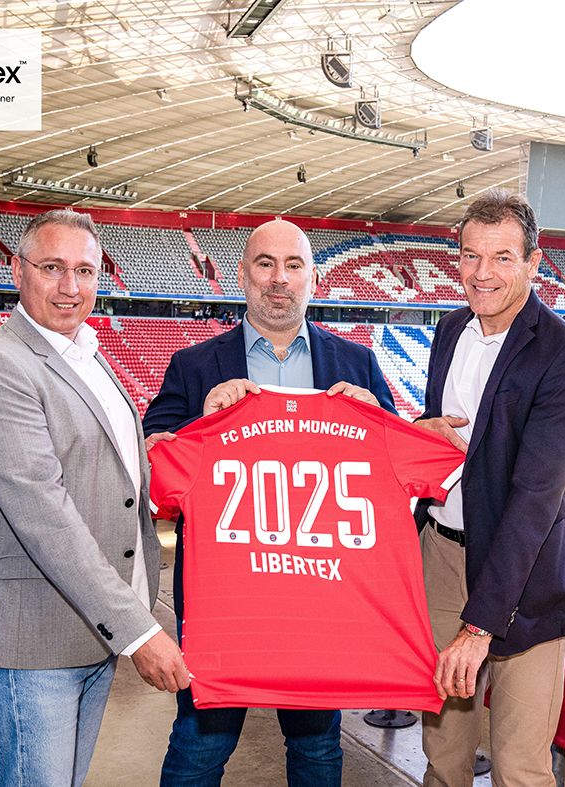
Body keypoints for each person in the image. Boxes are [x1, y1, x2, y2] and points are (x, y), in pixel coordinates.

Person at [143, 218, 396, 786]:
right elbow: (151, 464)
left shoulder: (356, 363)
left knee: (317, 744)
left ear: (313, 279)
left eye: (293, 265)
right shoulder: (194, 366)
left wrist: (375, 421)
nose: (279, 278)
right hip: (221, 597)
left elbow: (391, 480)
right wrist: (202, 421)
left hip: (320, 594)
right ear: (243, 275)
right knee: (201, 742)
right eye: (265, 264)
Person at [0, 209, 189, 786]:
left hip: (90, 629)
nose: (70, 287)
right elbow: (43, 515)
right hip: (31, 636)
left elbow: (100, 462)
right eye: (52, 267)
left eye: (84, 270)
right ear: (17, 271)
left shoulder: (86, 352)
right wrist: (139, 629)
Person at [415, 190, 565, 787]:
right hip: (441, 556)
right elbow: (450, 440)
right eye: (470, 256)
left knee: (519, 766)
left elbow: (535, 498)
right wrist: (419, 430)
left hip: (524, 575)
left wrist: (479, 627)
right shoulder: (449, 329)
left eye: (502, 257)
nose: (482, 273)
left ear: (533, 263)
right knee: (443, 756)